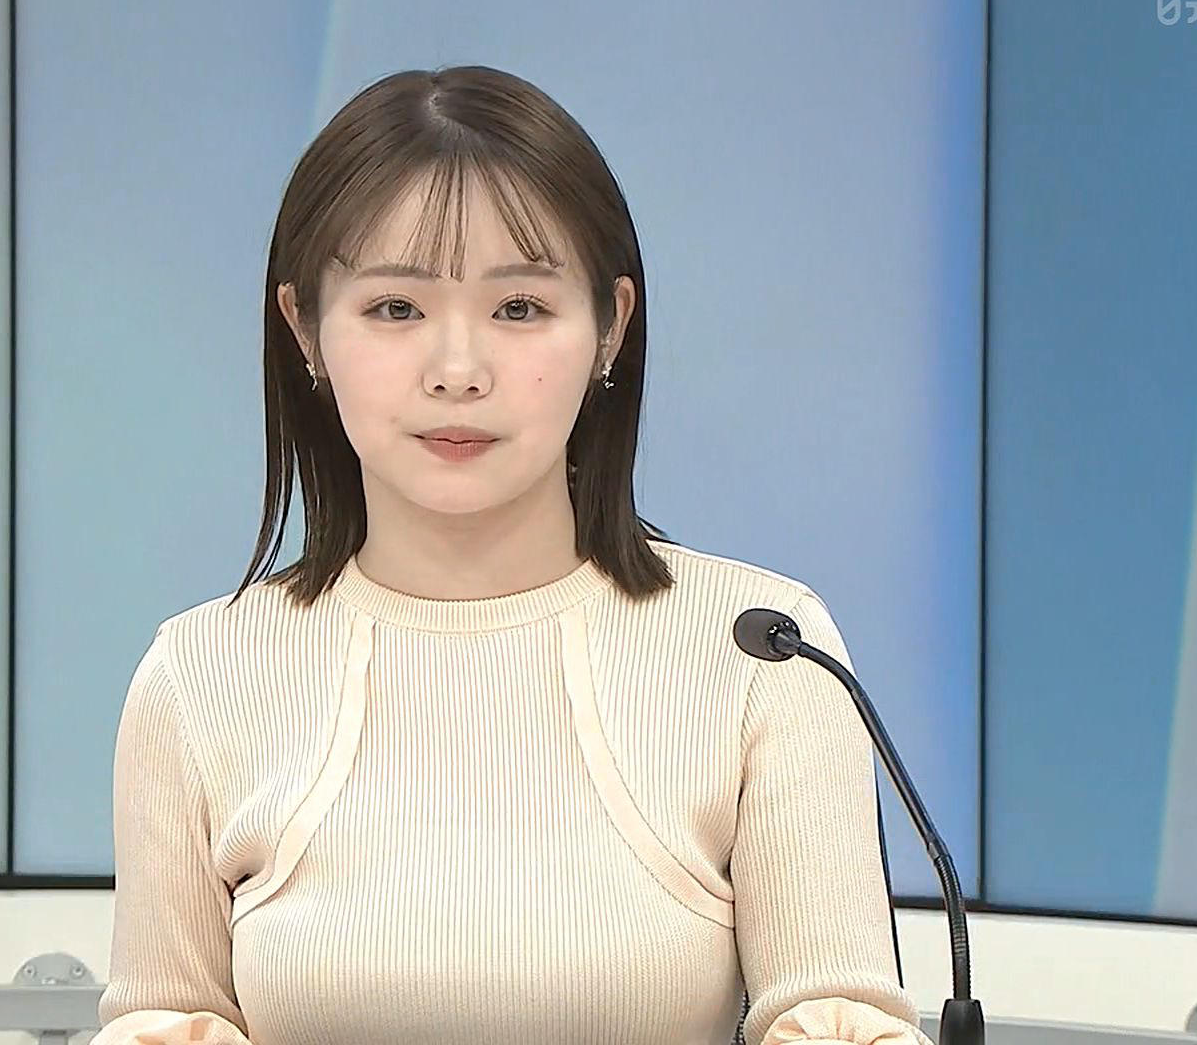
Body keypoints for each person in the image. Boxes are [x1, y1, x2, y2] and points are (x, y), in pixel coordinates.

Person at [95, 65, 933, 1045]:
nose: (459, 372)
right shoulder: (199, 677)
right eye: (395, 309)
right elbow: (167, 1018)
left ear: (611, 326)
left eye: (520, 309)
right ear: (304, 331)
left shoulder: (764, 653)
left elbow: (837, 1018)